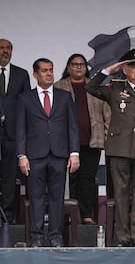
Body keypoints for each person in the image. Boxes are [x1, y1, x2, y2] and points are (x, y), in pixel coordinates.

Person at [85, 48, 135, 247]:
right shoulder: (114, 87)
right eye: (133, 66)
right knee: (120, 193)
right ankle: (123, 237)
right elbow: (90, 88)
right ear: (125, 69)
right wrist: (108, 71)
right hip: (119, 148)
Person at [16, 58, 80, 247]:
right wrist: (22, 155)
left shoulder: (64, 96)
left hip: (59, 155)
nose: (49, 73)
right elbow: (21, 129)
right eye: (44, 70)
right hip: (34, 156)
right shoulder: (25, 98)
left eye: (51, 70)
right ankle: (36, 236)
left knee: (57, 197)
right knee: (35, 197)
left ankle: (55, 236)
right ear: (35, 74)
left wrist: (74, 152)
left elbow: (72, 127)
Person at [54, 53, 111, 225]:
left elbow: (107, 114)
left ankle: (87, 215)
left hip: (92, 141)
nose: (78, 67)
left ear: (86, 68)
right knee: (69, 180)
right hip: (66, 143)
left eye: (82, 64)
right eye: (75, 64)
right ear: (68, 67)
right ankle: (68, 216)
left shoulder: (94, 86)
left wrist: (107, 133)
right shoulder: (58, 87)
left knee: (87, 179)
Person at [0, 38, 31, 223]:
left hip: (12, 132)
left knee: (10, 174)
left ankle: (7, 213)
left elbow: (26, 104)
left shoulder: (21, 74)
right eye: (2, 48)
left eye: (8, 48)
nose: (5, 51)